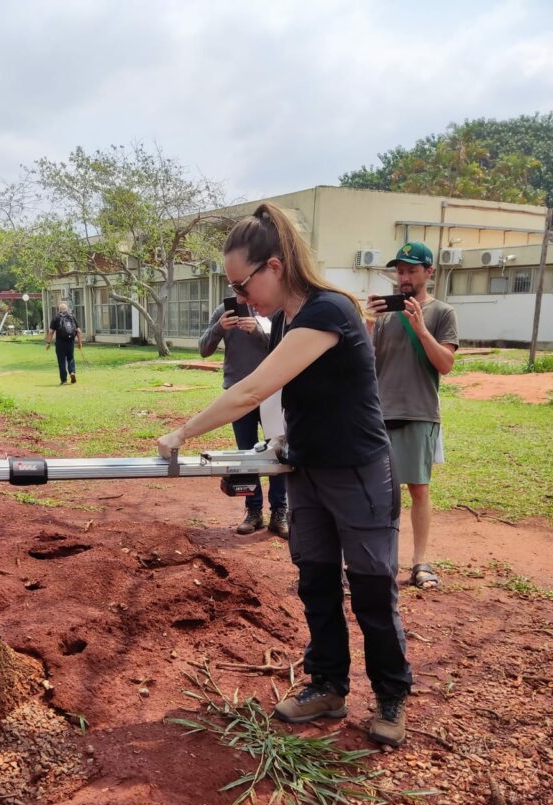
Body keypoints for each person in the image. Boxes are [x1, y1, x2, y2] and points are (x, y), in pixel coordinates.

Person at [157, 203, 413, 747]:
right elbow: (277, 402)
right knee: (315, 581)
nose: (240, 296)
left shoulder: (330, 311)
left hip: (360, 473)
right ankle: (327, 684)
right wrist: (264, 450)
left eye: (242, 283)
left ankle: (391, 696)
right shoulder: (288, 323)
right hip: (308, 473)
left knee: (370, 589)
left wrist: (184, 433)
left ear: (273, 266)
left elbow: (251, 389)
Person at [367, 243, 458, 590]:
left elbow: (445, 365)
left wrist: (421, 329)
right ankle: (378, 559)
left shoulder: (442, 313)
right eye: (400, 271)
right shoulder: (385, 315)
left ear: (428, 272)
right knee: (376, 491)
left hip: (420, 411)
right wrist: (368, 323)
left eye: (411, 271)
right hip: (379, 414)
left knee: (419, 488)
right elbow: (364, 364)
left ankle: (420, 562)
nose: (404, 278)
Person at [199, 300, 289, 538]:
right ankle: (253, 512)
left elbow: (286, 349)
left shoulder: (275, 308)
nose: (241, 292)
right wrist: (220, 327)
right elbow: (204, 349)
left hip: (272, 393)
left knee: (277, 452)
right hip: (238, 395)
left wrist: (257, 331)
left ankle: (280, 511)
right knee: (246, 454)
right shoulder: (223, 310)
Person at [46, 301, 83, 385]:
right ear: (67, 309)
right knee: (70, 358)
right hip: (70, 342)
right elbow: (79, 331)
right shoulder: (72, 317)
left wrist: (48, 343)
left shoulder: (56, 318)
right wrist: (79, 342)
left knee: (61, 361)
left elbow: (51, 332)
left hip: (60, 343)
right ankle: (72, 372)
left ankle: (64, 380)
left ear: (59, 310)